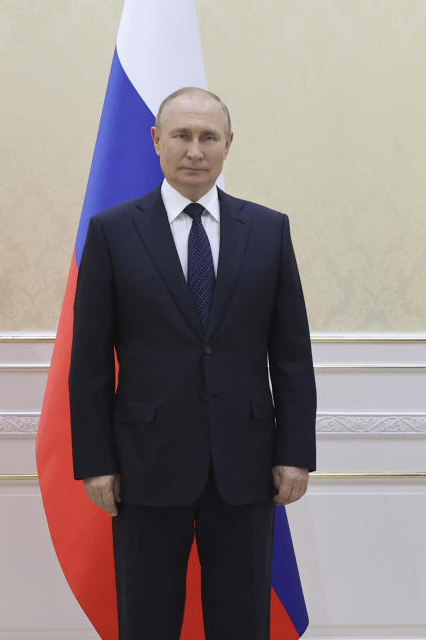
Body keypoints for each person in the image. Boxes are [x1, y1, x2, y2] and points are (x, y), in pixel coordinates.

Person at [69, 87, 316, 639]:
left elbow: (292, 356)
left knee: (241, 621)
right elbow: (88, 362)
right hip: (144, 465)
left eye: (209, 137)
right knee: (148, 620)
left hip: (247, 464)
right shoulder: (113, 232)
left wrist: (295, 451)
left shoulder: (269, 231)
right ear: (157, 141)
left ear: (229, 144)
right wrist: (95, 461)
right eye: (182, 135)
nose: (195, 150)